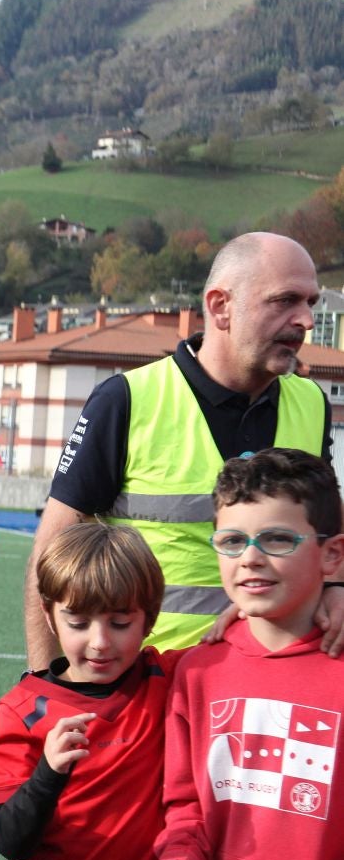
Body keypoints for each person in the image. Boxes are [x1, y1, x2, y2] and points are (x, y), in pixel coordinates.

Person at [23, 232, 344, 668]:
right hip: (149, 692)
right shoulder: (128, 399)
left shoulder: (311, 403)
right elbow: (51, 553)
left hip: (272, 685)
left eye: (311, 302)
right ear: (220, 306)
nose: (306, 320)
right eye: (285, 301)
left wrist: (337, 589)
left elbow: (328, 527)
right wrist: (46, 686)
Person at [156, 448, 344, 860]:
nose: (251, 558)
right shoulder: (197, 672)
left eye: (277, 539)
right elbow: (184, 809)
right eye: (232, 541)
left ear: (332, 555)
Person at [0, 523, 182, 860]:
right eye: (78, 622)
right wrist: (48, 772)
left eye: (120, 623)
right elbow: (11, 841)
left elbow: (238, 647)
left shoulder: (163, 677)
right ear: (50, 617)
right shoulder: (24, 711)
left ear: (149, 619)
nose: (100, 642)